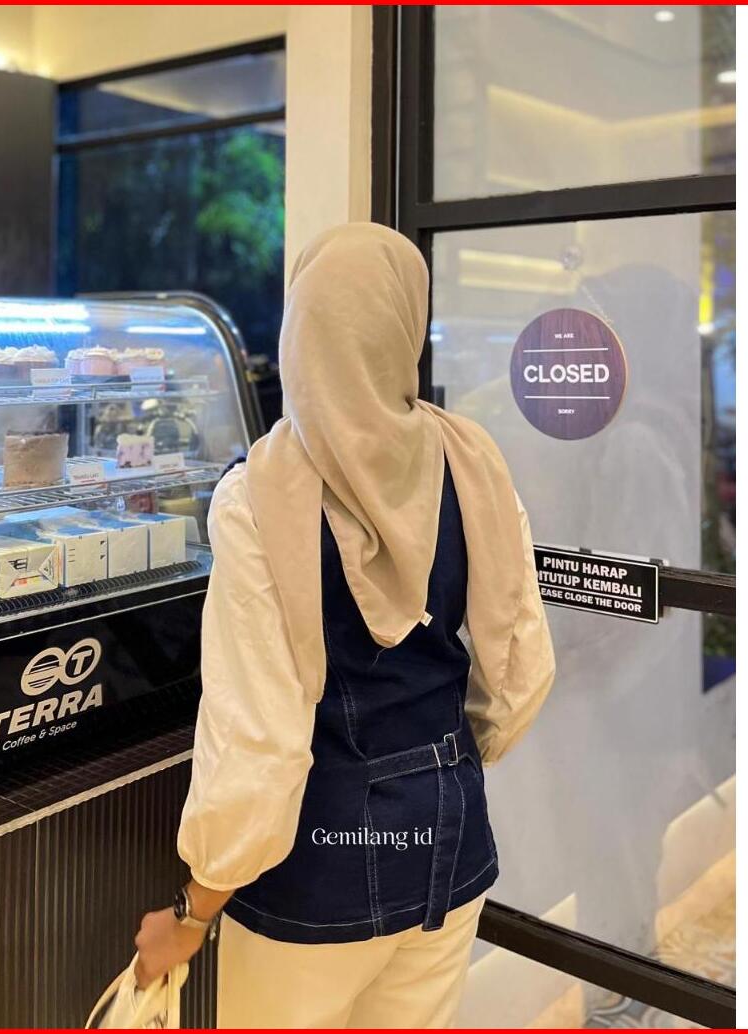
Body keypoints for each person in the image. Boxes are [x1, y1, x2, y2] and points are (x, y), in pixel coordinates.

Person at [134, 223, 555, 1028]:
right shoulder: (472, 459)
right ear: (404, 325)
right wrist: (443, 764)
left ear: (301, 329)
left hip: (314, 873)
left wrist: (192, 911)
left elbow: (260, 739)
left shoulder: (260, 493)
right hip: (453, 844)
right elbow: (521, 669)